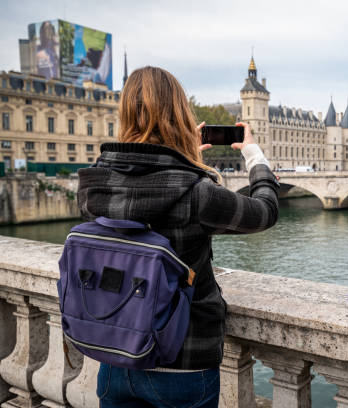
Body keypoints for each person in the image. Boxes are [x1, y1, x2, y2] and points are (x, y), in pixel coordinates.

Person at [77, 66, 279, 408]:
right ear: (180, 114)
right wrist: (254, 155)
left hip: (114, 355)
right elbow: (265, 210)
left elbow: (141, 182)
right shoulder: (198, 193)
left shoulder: (92, 186)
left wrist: (183, 158)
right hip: (185, 360)